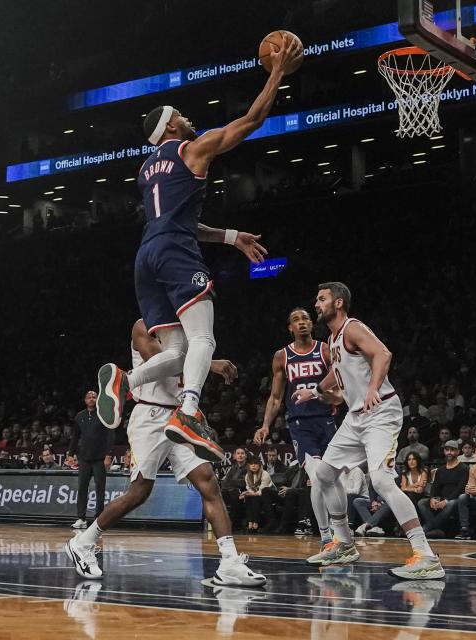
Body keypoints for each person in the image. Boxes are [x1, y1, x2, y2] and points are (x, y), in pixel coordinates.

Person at [93, 35, 304, 463]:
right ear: (170, 127)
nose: (189, 118)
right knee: (203, 336)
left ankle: (125, 381)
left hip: (146, 256)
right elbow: (251, 120)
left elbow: (178, 221)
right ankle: (188, 412)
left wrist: (230, 237)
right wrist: (278, 71)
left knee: (177, 352)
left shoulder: (145, 170)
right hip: (173, 252)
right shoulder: (191, 149)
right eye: (181, 116)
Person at [67, 319, 264, 587]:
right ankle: (83, 542)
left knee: (208, 482)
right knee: (139, 492)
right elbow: (166, 365)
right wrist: (210, 363)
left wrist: (198, 414)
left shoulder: (188, 325)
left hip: (179, 415)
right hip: (149, 416)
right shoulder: (143, 325)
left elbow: (186, 378)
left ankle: (229, 562)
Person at [295, 282, 443, 580]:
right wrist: (314, 391)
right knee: (323, 474)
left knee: (381, 480)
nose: (316, 305)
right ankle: (344, 543)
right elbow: (335, 377)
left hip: (380, 413)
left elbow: (383, 355)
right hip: (356, 417)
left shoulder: (351, 327)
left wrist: (373, 389)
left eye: (321, 299)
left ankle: (426, 555)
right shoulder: (335, 340)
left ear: (338, 303)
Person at [254, 308, 337, 548]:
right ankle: (326, 537)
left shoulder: (325, 350)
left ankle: (340, 530)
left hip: (327, 421)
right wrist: (265, 425)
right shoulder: (282, 356)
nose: (301, 323)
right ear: (290, 328)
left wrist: (332, 397)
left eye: (305, 319)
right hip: (301, 425)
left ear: (312, 324)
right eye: (296, 320)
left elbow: (340, 383)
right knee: (317, 476)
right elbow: (276, 396)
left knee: (332, 479)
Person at [69, 391, 114, 529]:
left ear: (97, 399)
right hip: (84, 458)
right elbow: (75, 436)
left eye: (94, 397)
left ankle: (98, 519)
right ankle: (81, 518)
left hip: (100, 458)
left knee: (100, 488)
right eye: (89, 397)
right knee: (82, 488)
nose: (91, 399)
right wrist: (71, 453)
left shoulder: (103, 415)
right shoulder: (79, 416)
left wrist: (108, 455)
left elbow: (110, 436)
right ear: (85, 400)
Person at [417, 441, 468, 538]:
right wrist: (433, 498)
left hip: (456, 499)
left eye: (452, 450)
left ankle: (427, 528)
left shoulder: (464, 468)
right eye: (447, 450)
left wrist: (446, 500)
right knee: (422, 502)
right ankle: (436, 530)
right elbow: (435, 487)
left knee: (451, 503)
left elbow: (460, 489)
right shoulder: (440, 470)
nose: (449, 452)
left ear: (458, 452)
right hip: (442, 498)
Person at [241, 457, 274, 533]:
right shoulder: (247, 476)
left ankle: (256, 523)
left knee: (254, 498)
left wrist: (247, 494)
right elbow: (249, 489)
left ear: (259, 465)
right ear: (248, 466)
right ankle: (250, 523)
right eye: (251, 464)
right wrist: (246, 494)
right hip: (256, 496)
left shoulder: (265, 474)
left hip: (268, 495)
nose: (253, 466)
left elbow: (261, 492)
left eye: (256, 464)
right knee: (250, 498)